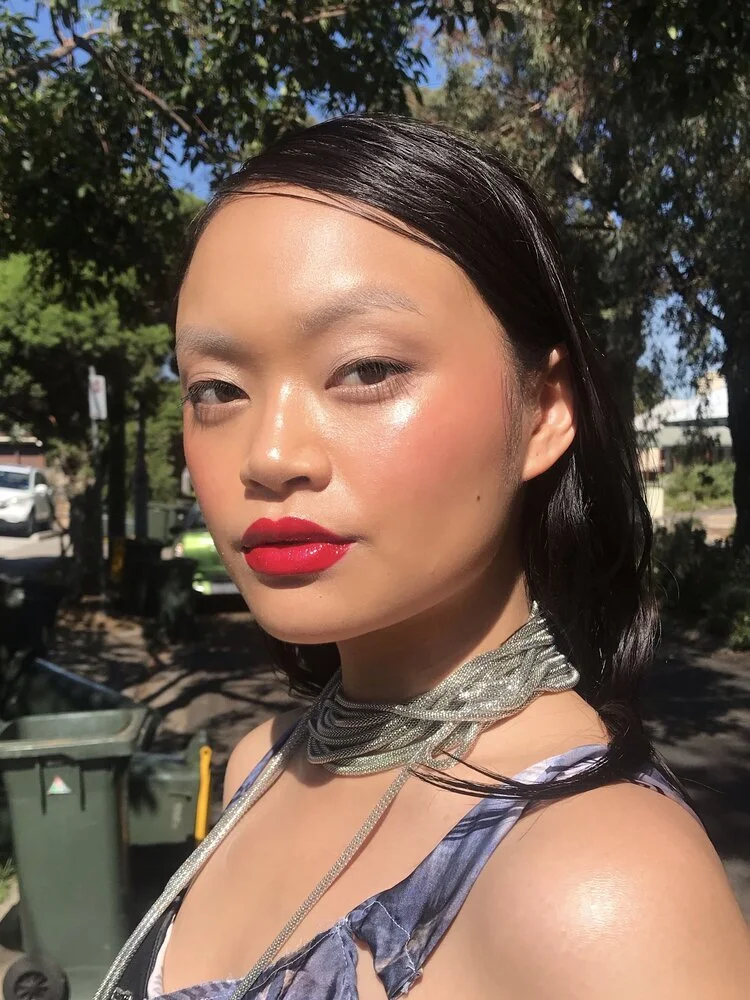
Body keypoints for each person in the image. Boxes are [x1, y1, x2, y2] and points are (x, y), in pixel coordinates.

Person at [97, 115, 750, 1000]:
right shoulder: (260, 763)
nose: (269, 455)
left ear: (545, 409)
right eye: (216, 389)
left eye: (366, 370)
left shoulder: (602, 888)